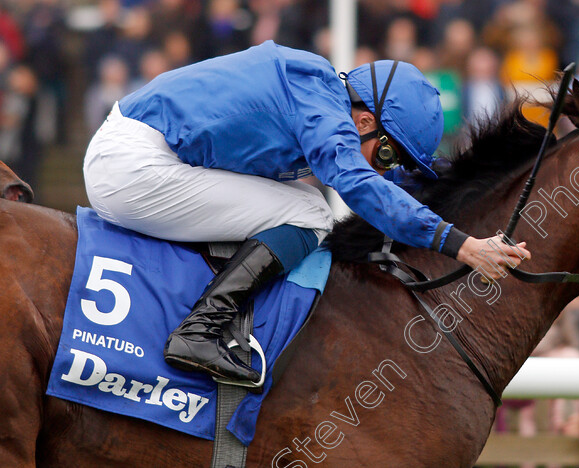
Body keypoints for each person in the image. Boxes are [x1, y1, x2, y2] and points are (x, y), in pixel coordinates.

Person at [82, 40, 530, 384]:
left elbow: (390, 184)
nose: (386, 168)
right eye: (390, 155)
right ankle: (200, 330)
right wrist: (462, 247)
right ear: (364, 122)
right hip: (132, 166)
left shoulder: (323, 95)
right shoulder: (319, 104)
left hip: (140, 154)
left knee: (306, 205)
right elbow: (360, 185)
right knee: (311, 213)